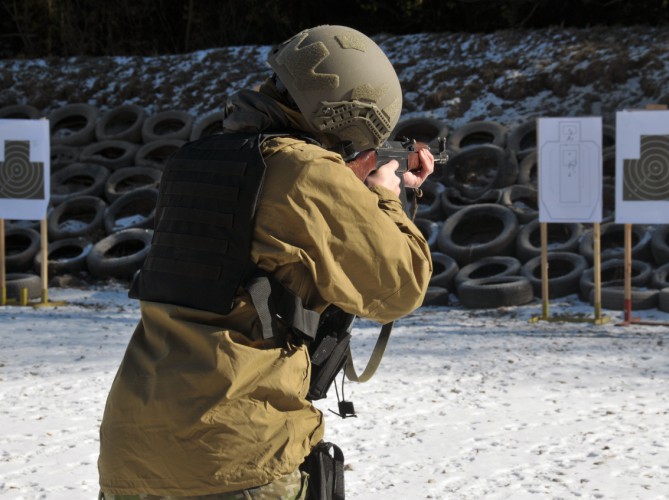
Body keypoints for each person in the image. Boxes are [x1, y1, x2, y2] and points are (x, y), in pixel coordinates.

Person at [98, 25, 434, 499]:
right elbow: (399, 286)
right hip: (239, 453)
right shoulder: (306, 170)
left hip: (133, 451)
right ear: (352, 112)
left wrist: (354, 187)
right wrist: (385, 197)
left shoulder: (193, 160)